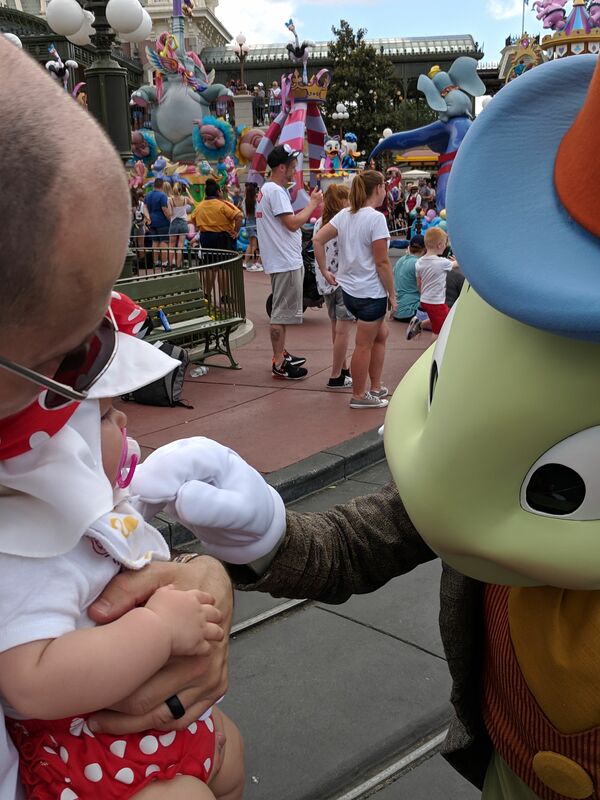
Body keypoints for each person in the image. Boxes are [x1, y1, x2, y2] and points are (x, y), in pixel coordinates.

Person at [0, 39, 232, 799]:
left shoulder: (58, 482)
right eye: (77, 356)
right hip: (95, 763)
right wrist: (159, 629)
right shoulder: (19, 530)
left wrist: (197, 584)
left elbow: (134, 561)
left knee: (227, 763)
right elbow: (34, 677)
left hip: (146, 735)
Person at [0, 391, 244, 800]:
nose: (123, 419)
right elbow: (31, 681)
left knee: (230, 755)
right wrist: (159, 627)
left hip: (152, 726)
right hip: (93, 752)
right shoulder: (24, 552)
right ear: (43, 458)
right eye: (104, 415)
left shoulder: (92, 512)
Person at [313, 171, 395, 409]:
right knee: (364, 344)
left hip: (350, 291)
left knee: (381, 335)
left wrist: (325, 270)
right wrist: (393, 293)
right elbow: (382, 262)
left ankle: (375, 386)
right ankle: (359, 395)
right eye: (384, 187)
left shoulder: (345, 215)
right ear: (377, 189)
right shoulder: (375, 218)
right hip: (370, 292)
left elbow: (317, 240)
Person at [256, 144, 323, 380]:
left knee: (281, 313)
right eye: (293, 166)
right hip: (284, 261)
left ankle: (280, 355)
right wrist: (313, 204)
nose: (295, 170)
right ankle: (279, 363)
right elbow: (292, 223)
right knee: (280, 315)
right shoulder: (275, 191)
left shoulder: (269, 190)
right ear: (281, 167)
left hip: (281, 260)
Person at [312, 184, 355, 389]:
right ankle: (336, 374)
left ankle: (343, 368)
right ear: (341, 201)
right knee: (343, 330)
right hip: (342, 281)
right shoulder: (342, 223)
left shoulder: (320, 223)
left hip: (326, 282)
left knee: (335, 328)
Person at [408, 226, 456, 338]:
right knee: (439, 331)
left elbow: (418, 284)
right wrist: (458, 260)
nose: (445, 246)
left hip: (425, 300)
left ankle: (419, 324)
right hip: (436, 302)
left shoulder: (419, 262)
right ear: (440, 245)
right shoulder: (441, 262)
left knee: (443, 317)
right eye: (445, 243)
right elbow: (456, 265)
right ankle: (434, 353)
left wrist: (423, 293)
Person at [190, 179, 242, 252]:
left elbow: (192, 220)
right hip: (223, 242)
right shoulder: (223, 205)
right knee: (225, 262)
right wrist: (235, 232)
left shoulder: (199, 207)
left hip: (206, 241)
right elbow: (239, 216)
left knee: (211, 262)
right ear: (218, 192)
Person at [392, 234, 426, 322]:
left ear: (409, 247)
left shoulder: (400, 260)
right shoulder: (418, 263)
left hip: (398, 311)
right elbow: (424, 289)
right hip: (412, 310)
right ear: (425, 249)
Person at [144, 178, 171, 269]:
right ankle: (164, 262)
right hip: (162, 222)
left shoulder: (148, 195)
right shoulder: (162, 195)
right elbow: (165, 209)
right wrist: (170, 218)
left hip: (152, 221)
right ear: (162, 185)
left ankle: (155, 262)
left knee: (155, 242)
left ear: (154, 185)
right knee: (164, 241)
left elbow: (145, 208)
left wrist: (148, 218)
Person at [169, 182, 191, 270]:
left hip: (174, 223)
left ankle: (170, 265)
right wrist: (188, 192)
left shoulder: (170, 200)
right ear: (181, 190)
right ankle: (178, 265)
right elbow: (193, 202)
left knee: (171, 244)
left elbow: (170, 213)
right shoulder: (185, 199)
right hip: (183, 223)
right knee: (180, 245)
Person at [242, 182, 262, 271]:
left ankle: (245, 263)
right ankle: (254, 263)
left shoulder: (244, 201)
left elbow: (244, 214)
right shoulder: (256, 201)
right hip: (256, 223)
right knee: (255, 245)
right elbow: (259, 213)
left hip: (248, 223)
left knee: (251, 244)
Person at [131, 187, 149, 268]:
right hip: (139, 225)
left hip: (136, 225)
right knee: (140, 244)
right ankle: (141, 260)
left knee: (137, 244)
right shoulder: (141, 204)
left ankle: (139, 261)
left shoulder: (135, 205)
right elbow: (145, 216)